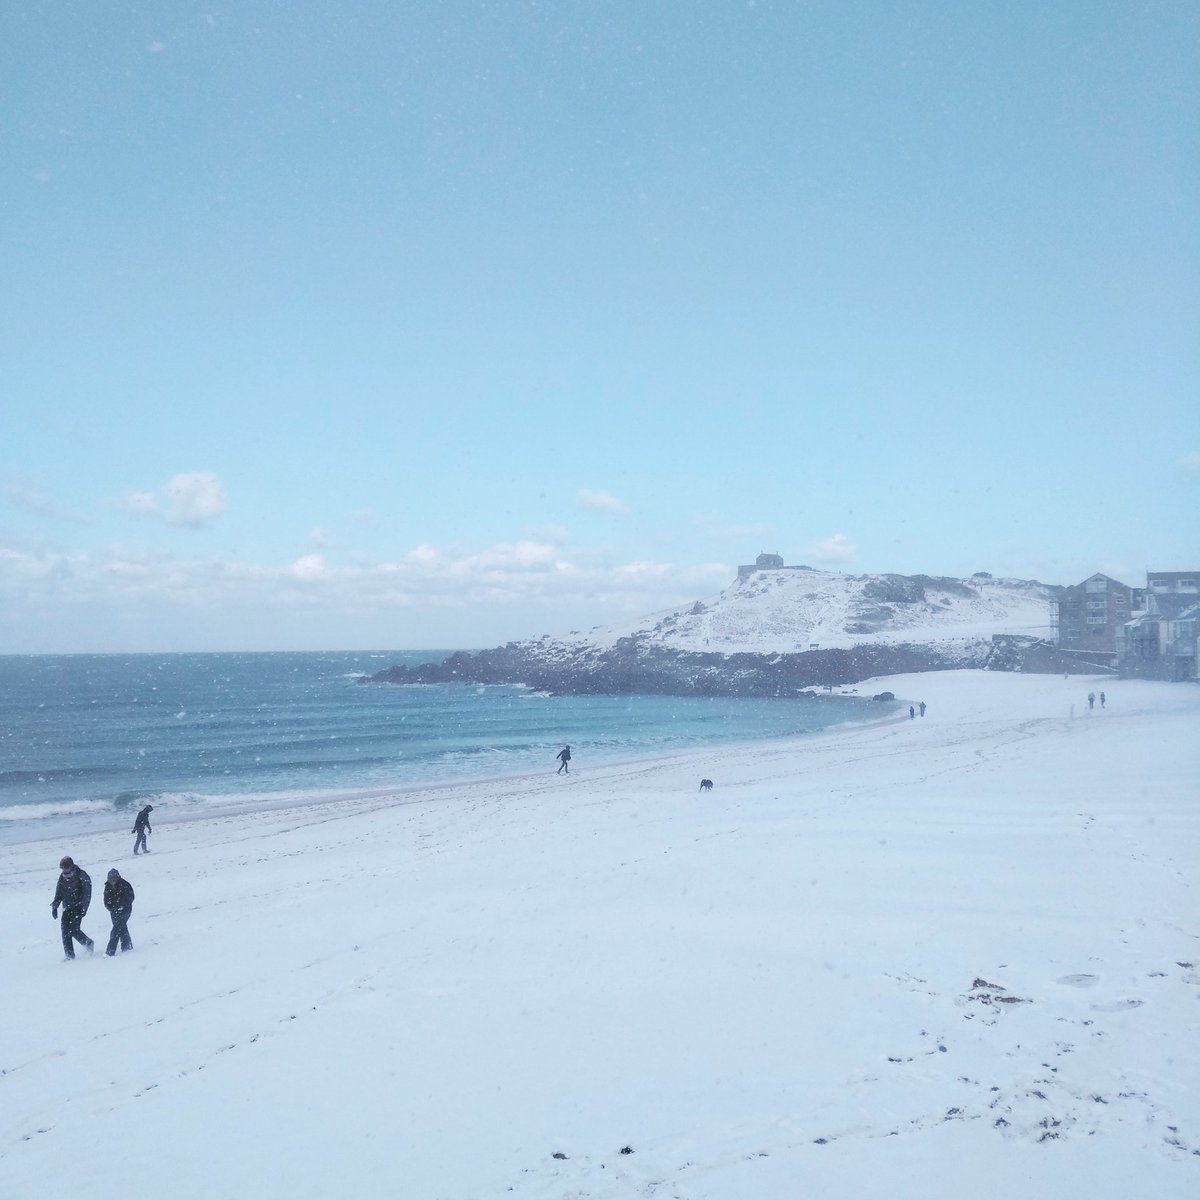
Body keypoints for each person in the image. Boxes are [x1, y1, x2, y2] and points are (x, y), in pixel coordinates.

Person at [51, 857, 94, 960]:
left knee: (74, 930)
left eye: (66, 868)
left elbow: (87, 894)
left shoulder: (82, 875)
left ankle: (88, 943)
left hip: (78, 907)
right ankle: (69, 955)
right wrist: (55, 906)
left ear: (71, 866)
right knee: (65, 931)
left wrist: (84, 908)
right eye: (62, 869)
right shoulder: (62, 877)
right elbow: (59, 892)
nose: (64, 871)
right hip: (67, 907)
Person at [103, 868, 135, 956]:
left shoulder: (125, 885)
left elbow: (130, 897)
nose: (112, 882)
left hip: (126, 910)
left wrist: (122, 906)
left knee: (116, 929)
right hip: (114, 912)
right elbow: (106, 902)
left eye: (114, 880)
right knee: (122, 927)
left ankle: (110, 951)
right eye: (110, 880)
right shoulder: (107, 887)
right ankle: (127, 945)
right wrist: (112, 908)